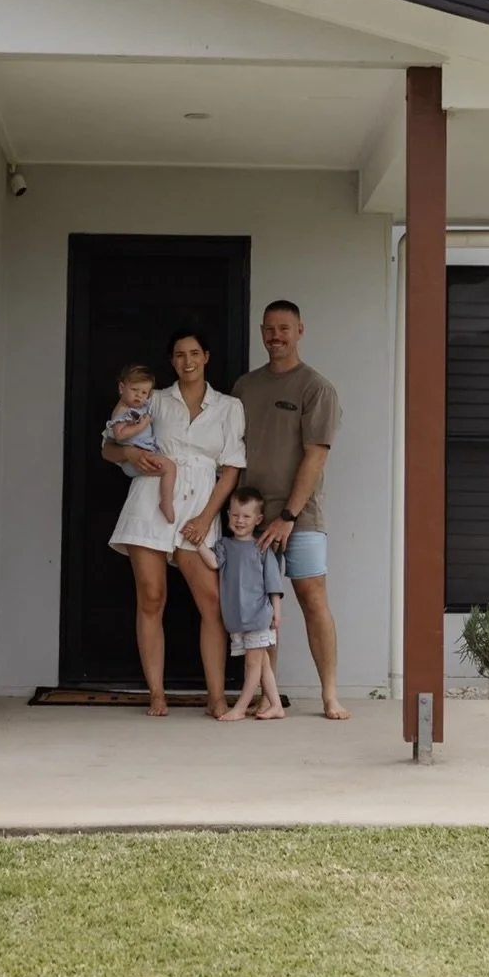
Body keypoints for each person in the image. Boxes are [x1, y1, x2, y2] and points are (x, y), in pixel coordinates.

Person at [183, 299, 349, 720]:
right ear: (261, 332)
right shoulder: (245, 387)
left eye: (284, 328)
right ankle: (266, 697)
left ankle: (330, 695)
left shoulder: (316, 388)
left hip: (300, 517)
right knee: (258, 609)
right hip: (251, 520)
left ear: (300, 331)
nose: (276, 336)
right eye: (269, 329)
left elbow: (316, 456)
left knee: (312, 598)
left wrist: (288, 517)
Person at [104, 329, 245, 718]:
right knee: (151, 597)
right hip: (152, 498)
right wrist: (129, 453)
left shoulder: (229, 406)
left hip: (200, 503)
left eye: (195, 353)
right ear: (171, 361)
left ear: (206, 357)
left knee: (211, 601)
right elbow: (108, 447)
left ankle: (216, 696)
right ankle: (156, 693)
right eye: (180, 354)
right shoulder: (154, 399)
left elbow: (232, 469)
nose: (188, 361)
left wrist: (206, 517)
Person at [198, 487, 286, 721]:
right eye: (235, 515)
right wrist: (197, 543)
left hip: (258, 616)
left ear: (258, 519)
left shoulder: (262, 547)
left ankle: (240, 707)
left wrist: (276, 612)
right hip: (237, 618)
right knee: (263, 664)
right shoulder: (224, 545)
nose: (240, 521)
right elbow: (213, 563)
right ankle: (276, 705)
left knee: (252, 665)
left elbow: (273, 583)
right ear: (228, 515)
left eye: (246, 516)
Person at [104, 363, 177, 524]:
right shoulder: (122, 411)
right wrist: (141, 426)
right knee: (169, 468)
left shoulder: (137, 406)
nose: (139, 396)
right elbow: (119, 435)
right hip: (136, 459)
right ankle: (166, 503)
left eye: (144, 392)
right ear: (122, 388)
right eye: (134, 390)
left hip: (142, 454)